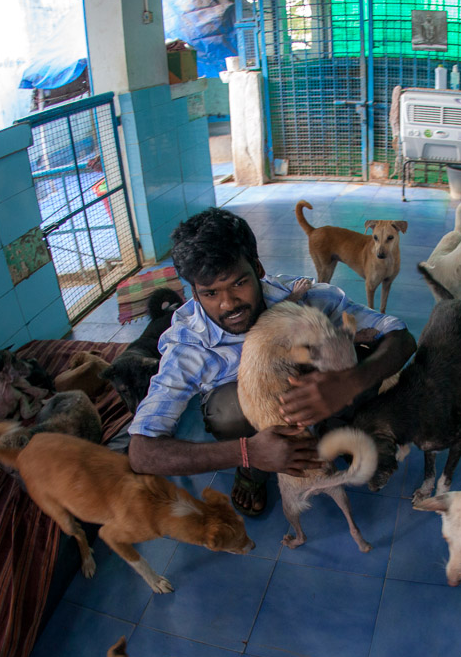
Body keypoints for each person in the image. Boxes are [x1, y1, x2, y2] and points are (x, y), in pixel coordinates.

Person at [127, 207, 417, 517]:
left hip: (321, 401)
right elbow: (142, 452)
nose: (228, 304)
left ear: (258, 268)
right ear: (195, 294)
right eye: (210, 293)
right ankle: (255, 467)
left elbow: (400, 336)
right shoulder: (188, 344)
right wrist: (246, 452)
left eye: (238, 283)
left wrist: (349, 384)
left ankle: (332, 429)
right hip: (253, 428)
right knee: (228, 410)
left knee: (362, 353)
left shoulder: (305, 297)